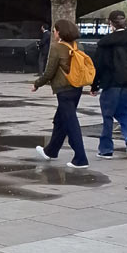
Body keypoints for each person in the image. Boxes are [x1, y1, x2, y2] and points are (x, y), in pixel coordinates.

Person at [32, 18, 89, 168]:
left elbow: (49, 72)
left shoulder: (56, 48)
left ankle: (81, 158)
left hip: (63, 89)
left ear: (59, 32)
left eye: (54, 30)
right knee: (60, 120)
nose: (54, 33)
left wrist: (37, 84)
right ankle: (51, 150)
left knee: (71, 123)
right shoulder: (79, 46)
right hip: (77, 88)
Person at [90, 10, 127, 161]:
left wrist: (94, 85)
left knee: (108, 116)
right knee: (125, 113)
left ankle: (106, 149)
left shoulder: (105, 42)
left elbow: (99, 65)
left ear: (110, 23)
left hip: (111, 83)